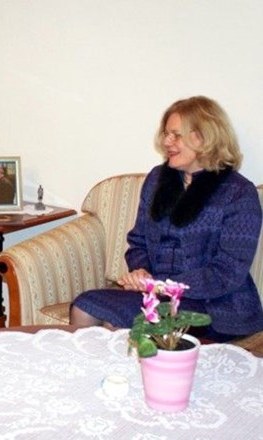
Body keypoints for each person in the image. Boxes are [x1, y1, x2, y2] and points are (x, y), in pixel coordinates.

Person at [70, 96, 263, 342]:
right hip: (157, 295)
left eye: (176, 135)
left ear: (204, 137)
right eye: (166, 134)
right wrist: (141, 271)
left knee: (123, 322)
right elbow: (138, 241)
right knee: (84, 306)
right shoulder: (158, 179)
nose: (166, 142)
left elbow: (227, 272)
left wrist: (160, 285)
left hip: (216, 306)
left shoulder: (238, 193)